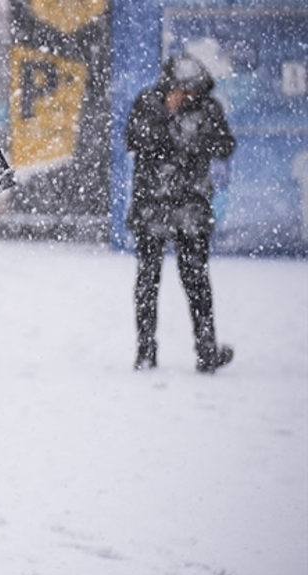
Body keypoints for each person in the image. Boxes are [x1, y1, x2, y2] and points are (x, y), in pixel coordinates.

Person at [126, 54, 236, 373]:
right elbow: (135, 140)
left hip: (191, 206)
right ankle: (145, 351)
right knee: (148, 280)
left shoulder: (208, 108)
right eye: (183, 90)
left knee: (197, 280)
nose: (189, 96)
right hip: (153, 205)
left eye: (194, 90)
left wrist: (196, 137)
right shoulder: (148, 103)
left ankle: (206, 351)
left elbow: (225, 145)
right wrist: (167, 117)